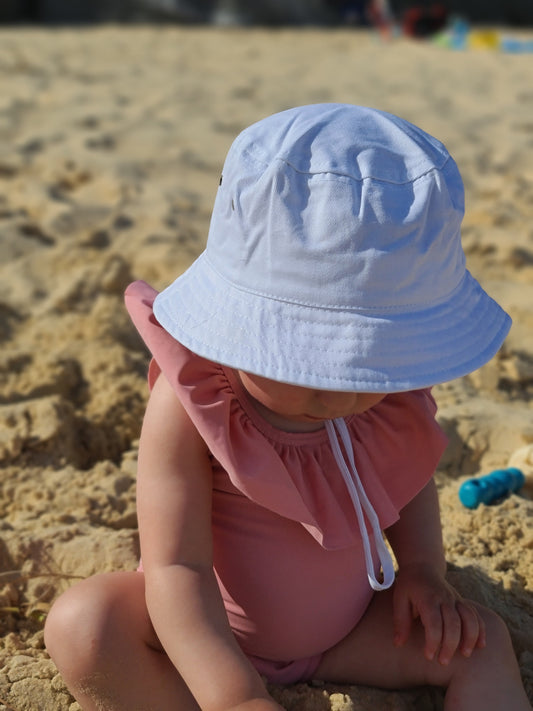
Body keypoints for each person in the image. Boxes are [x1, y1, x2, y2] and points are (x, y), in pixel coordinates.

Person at [44, 104, 531, 711]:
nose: (343, 396)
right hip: (202, 638)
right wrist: (233, 695)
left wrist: (424, 572)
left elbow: (406, 481)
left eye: (367, 366)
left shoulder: (388, 394)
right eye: (312, 363)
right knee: (84, 626)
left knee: (479, 642)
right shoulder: (190, 405)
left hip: (349, 631)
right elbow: (178, 569)